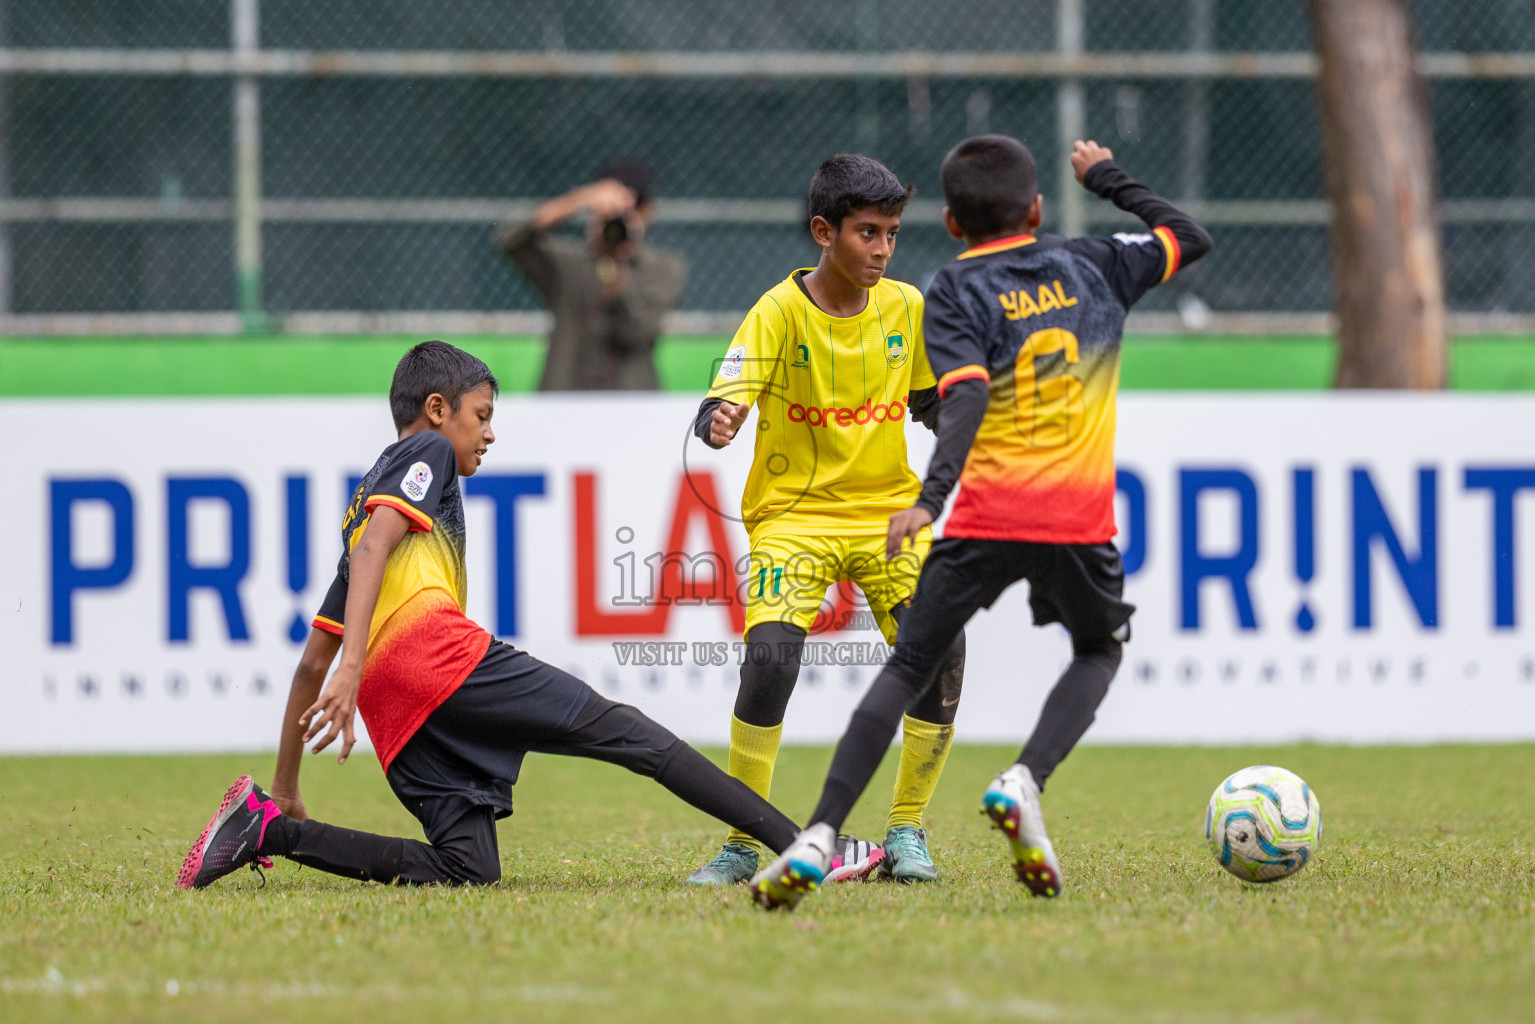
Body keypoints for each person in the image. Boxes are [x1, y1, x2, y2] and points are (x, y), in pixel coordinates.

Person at [749, 136, 1213, 910]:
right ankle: (1024, 778)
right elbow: (1187, 236)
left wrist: (930, 501)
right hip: (1076, 517)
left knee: (906, 668)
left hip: (988, 513)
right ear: (1034, 209)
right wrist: (1104, 178)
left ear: (951, 224)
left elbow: (961, 399)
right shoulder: (1097, 264)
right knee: (1098, 648)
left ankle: (821, 832)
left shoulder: (953, 288)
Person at [176, 340, 809, 890]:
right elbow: (353, 597)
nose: (489, 433)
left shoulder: (364, 517)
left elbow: (311, 659)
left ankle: (270, 831)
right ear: (435, 410)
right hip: (439, 662)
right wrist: (349, 669)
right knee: (633, 735)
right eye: (481, 416)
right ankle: (804, 846)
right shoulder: (425, 451)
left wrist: (286, 789)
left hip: (399, 710)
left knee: (468, 868)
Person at [684, 154, 967, 887]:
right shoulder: (777, 311)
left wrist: (978, 427)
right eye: (866, 233)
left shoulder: (908, 307)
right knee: (772, 657)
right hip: (794, 518)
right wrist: (720, 420)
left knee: (942, 651)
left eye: (892, 234)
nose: (880, 249)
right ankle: (742, 845)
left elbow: (932, 403)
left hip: (887, 516)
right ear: (823, 231)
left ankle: (906, 831)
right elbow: (726, 398)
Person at [497, 163, 686, 392]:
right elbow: (508, 239)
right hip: (566, 392)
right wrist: (578, 200)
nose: (618, 219)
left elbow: (639, 333)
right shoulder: (568, 262)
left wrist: (618, 273)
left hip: (631, 398)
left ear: (647, 212)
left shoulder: (662, 267)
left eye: (632, 209)